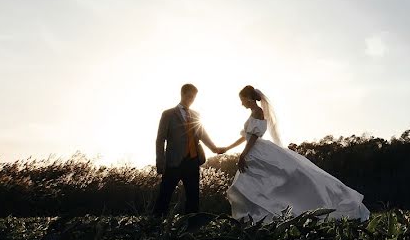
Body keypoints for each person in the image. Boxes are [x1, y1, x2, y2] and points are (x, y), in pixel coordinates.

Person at [220, 85, 369, 222]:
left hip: (256, 150)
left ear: (248, 98)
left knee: (265, 183)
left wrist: (243, 155)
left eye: (242, 100)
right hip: (252, 150)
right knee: (251, 187)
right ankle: (256, 218)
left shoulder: (258, 112)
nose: (241, 103)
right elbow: (246, 135)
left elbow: (254, 136)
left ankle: (269, 215)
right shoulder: (252, 112)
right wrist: (227, 148)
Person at [153, 83, 220, 216]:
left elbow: (203, 134)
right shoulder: (168, 114)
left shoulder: (196, 114)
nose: (191, 99)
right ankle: (155, 224)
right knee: (165, 195)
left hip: (193, 160)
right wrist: (160, 161)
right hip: (174, 161)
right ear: (182, 94)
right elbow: (160, 139)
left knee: (193, 197)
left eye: (193, 97)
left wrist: (214, 148)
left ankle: (191, 228)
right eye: (189, 96)